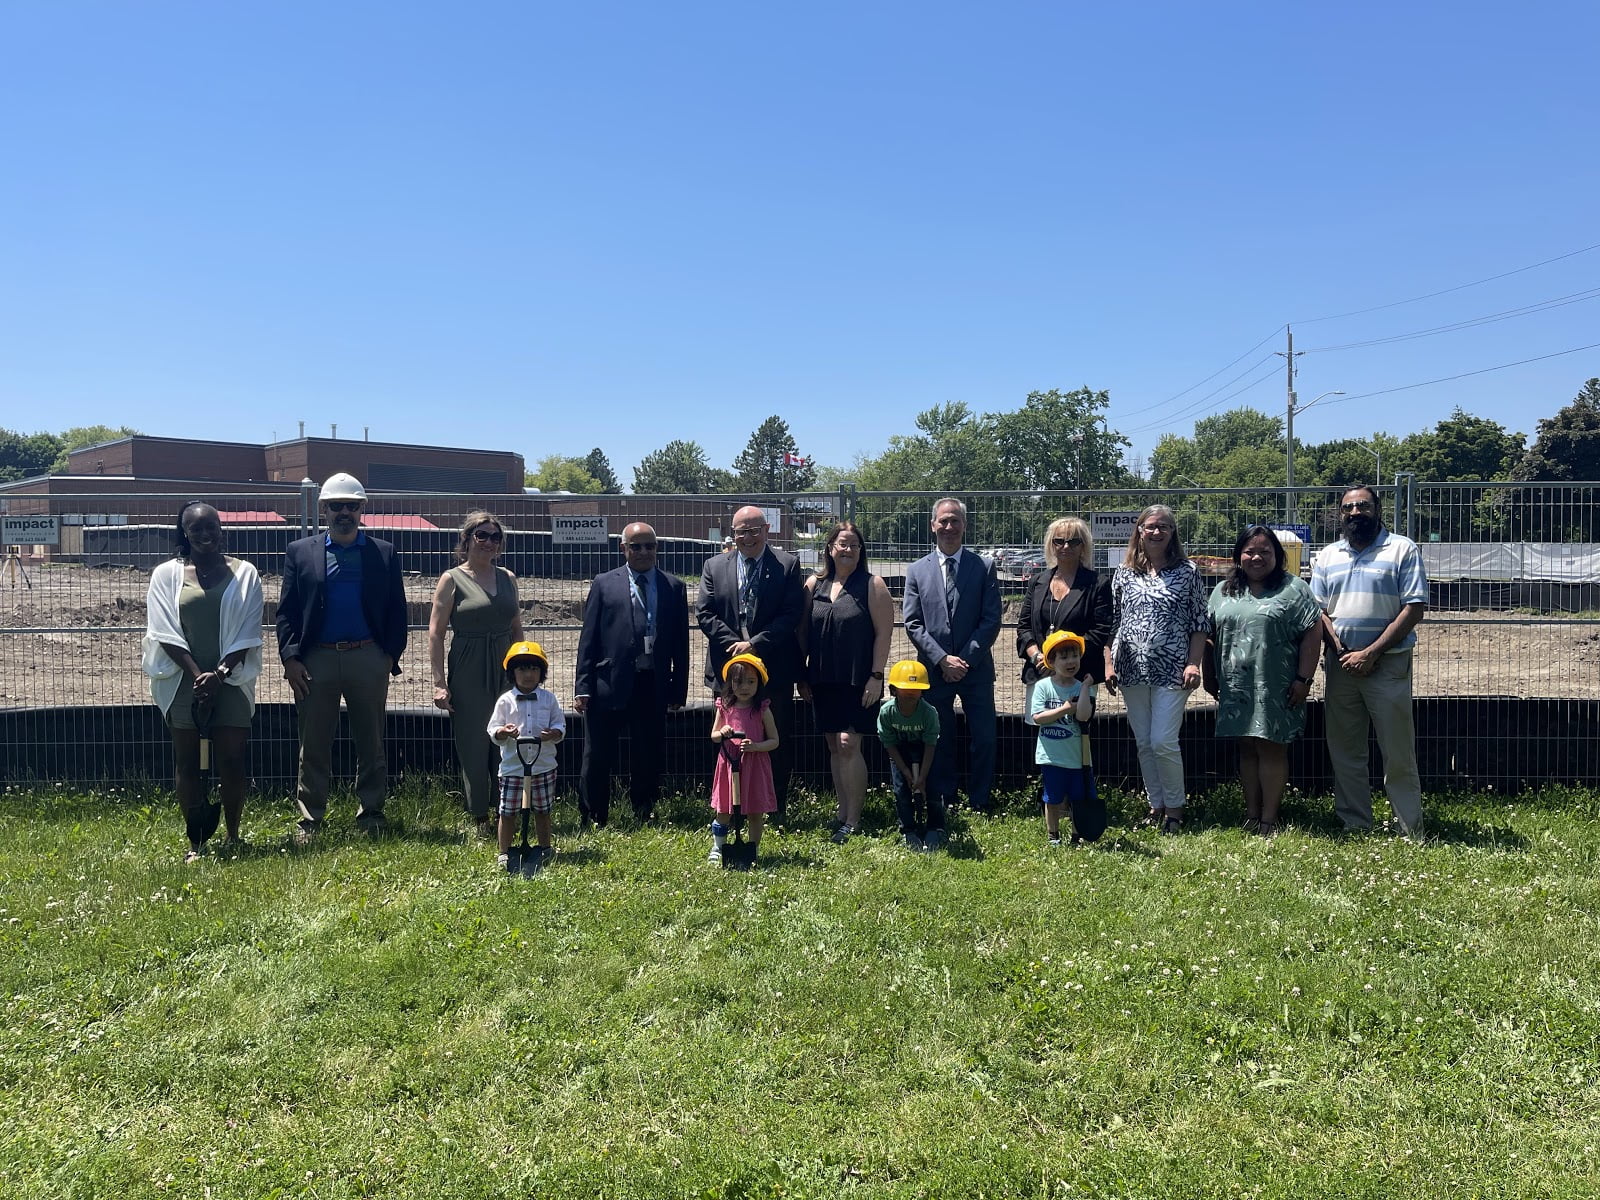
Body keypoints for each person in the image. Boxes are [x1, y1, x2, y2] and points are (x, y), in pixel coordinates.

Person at [277, 472, 408, 842]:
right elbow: (286, 612)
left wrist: (388, 655)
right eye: (337, 506)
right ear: (324, 509)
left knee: (371, 740)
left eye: (352, 506)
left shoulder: (383, 553)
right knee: (314, 742)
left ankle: (371, 813)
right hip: (315, 661)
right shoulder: (299, 552)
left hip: (368, 657)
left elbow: (398, 610)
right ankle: (310, 819)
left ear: (362, 509)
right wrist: (291, 658)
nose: (345, 512)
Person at [142, 501, 264, 862]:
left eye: (211, 526)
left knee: (231, 758)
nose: (205, 534)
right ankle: (196, 842)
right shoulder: (166, 575)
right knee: (187, 761)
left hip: (232, 679)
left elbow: (248, 631)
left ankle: (233, 835)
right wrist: (199, 677)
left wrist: (220, 675)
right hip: (181, 680)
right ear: (185, 533)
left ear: (221, 529)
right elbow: (162, 629)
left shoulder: (246, 575)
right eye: (196, 529)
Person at [1311, 486, 1429, 837]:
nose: (1355, 512)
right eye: (1348, 507)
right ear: (1340, 514)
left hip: (1388, 664)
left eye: (1363, 505)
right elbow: (1318, 610)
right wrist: (1342, 652)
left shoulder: (1402, 549)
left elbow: (1414, 607)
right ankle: (1355, 823)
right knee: (1345, 750)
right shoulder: (1328, 556)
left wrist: (1371, 652)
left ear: (1378, 509)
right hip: (1341, 667)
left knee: (1397, 752)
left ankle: (1410, 829)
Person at [1205, 526, 1322, 836]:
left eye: (1265, 551)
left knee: (1272, 747)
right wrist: (1209, 674)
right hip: (1235, 686)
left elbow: (1313, 632)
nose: (1256, 557)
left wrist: (1304, 679)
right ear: (1238, 555)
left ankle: (1269, 819)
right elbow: (1209, 637)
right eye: (1250, 551)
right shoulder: (1222, 591)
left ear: (1277, 555)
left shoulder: (1294, 589)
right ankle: (1251, 814)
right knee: (1246, 747)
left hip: (1278, 685)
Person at [574, 522, 690, 826]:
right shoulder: (603, 583)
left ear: (657, 548)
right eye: (635, 546)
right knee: (597, 754)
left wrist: (678, 689)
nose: (643, 552)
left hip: (652, 683)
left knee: (648, 752)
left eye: (649, 546)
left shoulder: (674, 587)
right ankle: (593, 815)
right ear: (623, 548)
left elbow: (681, 643)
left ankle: (644, 810)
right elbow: (588, 639)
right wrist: (582, 686)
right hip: (608, 683)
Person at [1104, 504, 1209, 834]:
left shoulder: (1188, 572)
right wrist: (1108, 662)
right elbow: (1113, 622)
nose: (1156, 531)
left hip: (1173, 670)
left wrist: (1194, 663)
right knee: (1144, 742)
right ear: (1139, 530)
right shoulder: (1123, 574)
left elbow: (1199, 623)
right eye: (1150, 526)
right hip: (1131, 670)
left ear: (1172, 533)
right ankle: (1157, 804)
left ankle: (1176, 809)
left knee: (1163, 740)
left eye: (1164, 526)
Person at [697, 505, 805, 816]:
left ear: (766, 530)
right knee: (730, 738)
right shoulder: (714, 566)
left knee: (775, 737)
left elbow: (791, 613)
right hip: (729, 670)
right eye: (741, 531)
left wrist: (755, 645)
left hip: (773, 668)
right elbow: (705, 613)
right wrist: (736, 645)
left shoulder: (787, 565)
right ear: (733, 534)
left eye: (754, 530)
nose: (748, 537)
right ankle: (729, 806)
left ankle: (775, 806)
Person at [902, 497, 1002, 814]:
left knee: (984, 737)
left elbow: (991, 620)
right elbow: (913, 623)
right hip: (935, 671)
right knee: (940, 738)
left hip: (976, 670)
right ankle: (945, 796)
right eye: (943, 521)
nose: (948, 527)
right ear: (933, 525)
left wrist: (965, 659)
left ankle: (980, 798)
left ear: (964, 525)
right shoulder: (917, 571)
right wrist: (942, 659)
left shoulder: (984, 567)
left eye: (955, 520)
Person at [428, 511, 523, 838]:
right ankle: (479, 816)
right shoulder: (452, 579)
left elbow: (516, 627)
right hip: (468, 666)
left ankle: (506, 811)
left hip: (505, 665)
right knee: (473, 741)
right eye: (481, 535)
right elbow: (436, 634)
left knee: (507, 738)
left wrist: (525, 674)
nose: (488, 542)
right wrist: (440, 683)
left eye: (495, 537)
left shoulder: (508, 577)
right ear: (467, 539)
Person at [800, 521, 892, 844]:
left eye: (854, 545)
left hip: (858, 679)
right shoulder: (814, 584)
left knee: (848, 743)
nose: (848, 549)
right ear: (829, 548)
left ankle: (854, 819)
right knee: (832, 745)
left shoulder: (873, 585)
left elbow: (884, 634)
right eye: (842, 543)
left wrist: (876, 676)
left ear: (861, 551)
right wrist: (802, 675)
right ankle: (842, 812)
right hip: (822, 678)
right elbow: (802, 633)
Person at [1016, 515, 1112, 725]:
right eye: (1058, 541)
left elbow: (1100, 631)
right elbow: (1024, 628)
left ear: (1083, 546)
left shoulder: (1098, 584)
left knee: (1077, 740)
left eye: (1073, 541)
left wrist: (1062, 659)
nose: (1065, 546)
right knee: (1042, 737)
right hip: (1040, 673)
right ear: (1051, 545)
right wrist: (1038, 657)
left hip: (1078, 677)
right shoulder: (1037, 582)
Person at [488, 641, 566, 869]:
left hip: (543, 766)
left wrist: (553, 733)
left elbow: (560, 725)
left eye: (533, 669)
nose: (528, 674)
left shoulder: (549, 699)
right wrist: (503, 732)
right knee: (508, 811)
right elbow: (493, 729)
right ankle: (504, 851)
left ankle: (545, 848)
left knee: (543, 810)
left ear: (542, 673)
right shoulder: (505, 701)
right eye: (522, 669)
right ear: (512, 673)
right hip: (513, 767)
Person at [1030, 631, 1104, 847]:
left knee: (1078, 800)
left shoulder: (1082, 687)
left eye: (1075, 656)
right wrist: (1063, 710)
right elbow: (1038, 718)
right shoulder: (1043, 687)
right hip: (1051, 757)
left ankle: (1076, 835)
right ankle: (1053, 836)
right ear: (1051, 661)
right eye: (1064, 657)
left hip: (1077, 758)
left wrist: (1084, 687)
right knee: (1052, 799)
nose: (1071, 661)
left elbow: (1082, 716)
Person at [708, 653, 779, 865]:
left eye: (751, 681)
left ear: (759, 683)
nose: (745, 687)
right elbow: (713, 735)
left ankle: (752, 849)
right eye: (738, 681)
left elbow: (775, 740)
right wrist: (723, 732)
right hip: (729, 766)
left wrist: (756, 746)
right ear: (730, 683)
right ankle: (718, 847)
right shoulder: (725, 707)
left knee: (755, 811)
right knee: (724, 810)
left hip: (754, 767)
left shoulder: (762, 710)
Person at [877, 659, 941, 851]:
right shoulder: (887, 713)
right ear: (893, 690)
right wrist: (905, 771)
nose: (912, 693)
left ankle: (936, 827)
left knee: (933, 790)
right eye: (906, 689)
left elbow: (930, 744)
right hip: (900, 754)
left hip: (925, 754)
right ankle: (908, 829)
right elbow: (889, 743)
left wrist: (922, 777)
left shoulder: (929, 713)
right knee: (901, 792)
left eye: (917, 688)